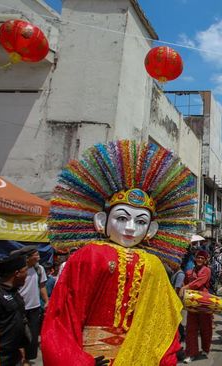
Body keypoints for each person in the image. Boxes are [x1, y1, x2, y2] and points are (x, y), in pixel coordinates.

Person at [41, 140, 197, 366]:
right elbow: (61, 321)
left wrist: (166, 356)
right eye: (122, 218)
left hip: (142, 358)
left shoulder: (153, 265)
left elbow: (162, 322)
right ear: (101, 221)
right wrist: (80, 362)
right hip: (93, 358)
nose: (131, 228)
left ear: (151, 230)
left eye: (140, 221)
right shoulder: (88, 256)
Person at [9, 245, 48, 365]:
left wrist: (46, 301)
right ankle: (22, 359)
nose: (38, 256)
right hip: (19, 308)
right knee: (19, 334)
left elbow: (42, 286)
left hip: (34, 307)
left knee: (33, 335)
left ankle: (28, 358)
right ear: (27, 257)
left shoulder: (39, 269)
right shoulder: (19, 270)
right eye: (36, 254)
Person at [181, 250, 213, 364]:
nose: (199, 260)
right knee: (190, 328)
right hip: (192, 301)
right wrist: (184, 289)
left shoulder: (207, 270)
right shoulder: (189, 272)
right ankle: (191, 353)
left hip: (204, 301)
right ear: (195, 259)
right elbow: (184, 284)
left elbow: (200, 282)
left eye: (202, 258)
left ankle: (205, 349)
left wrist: (187, 286)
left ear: (205, 260)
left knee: (206, 327)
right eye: (198, 258)